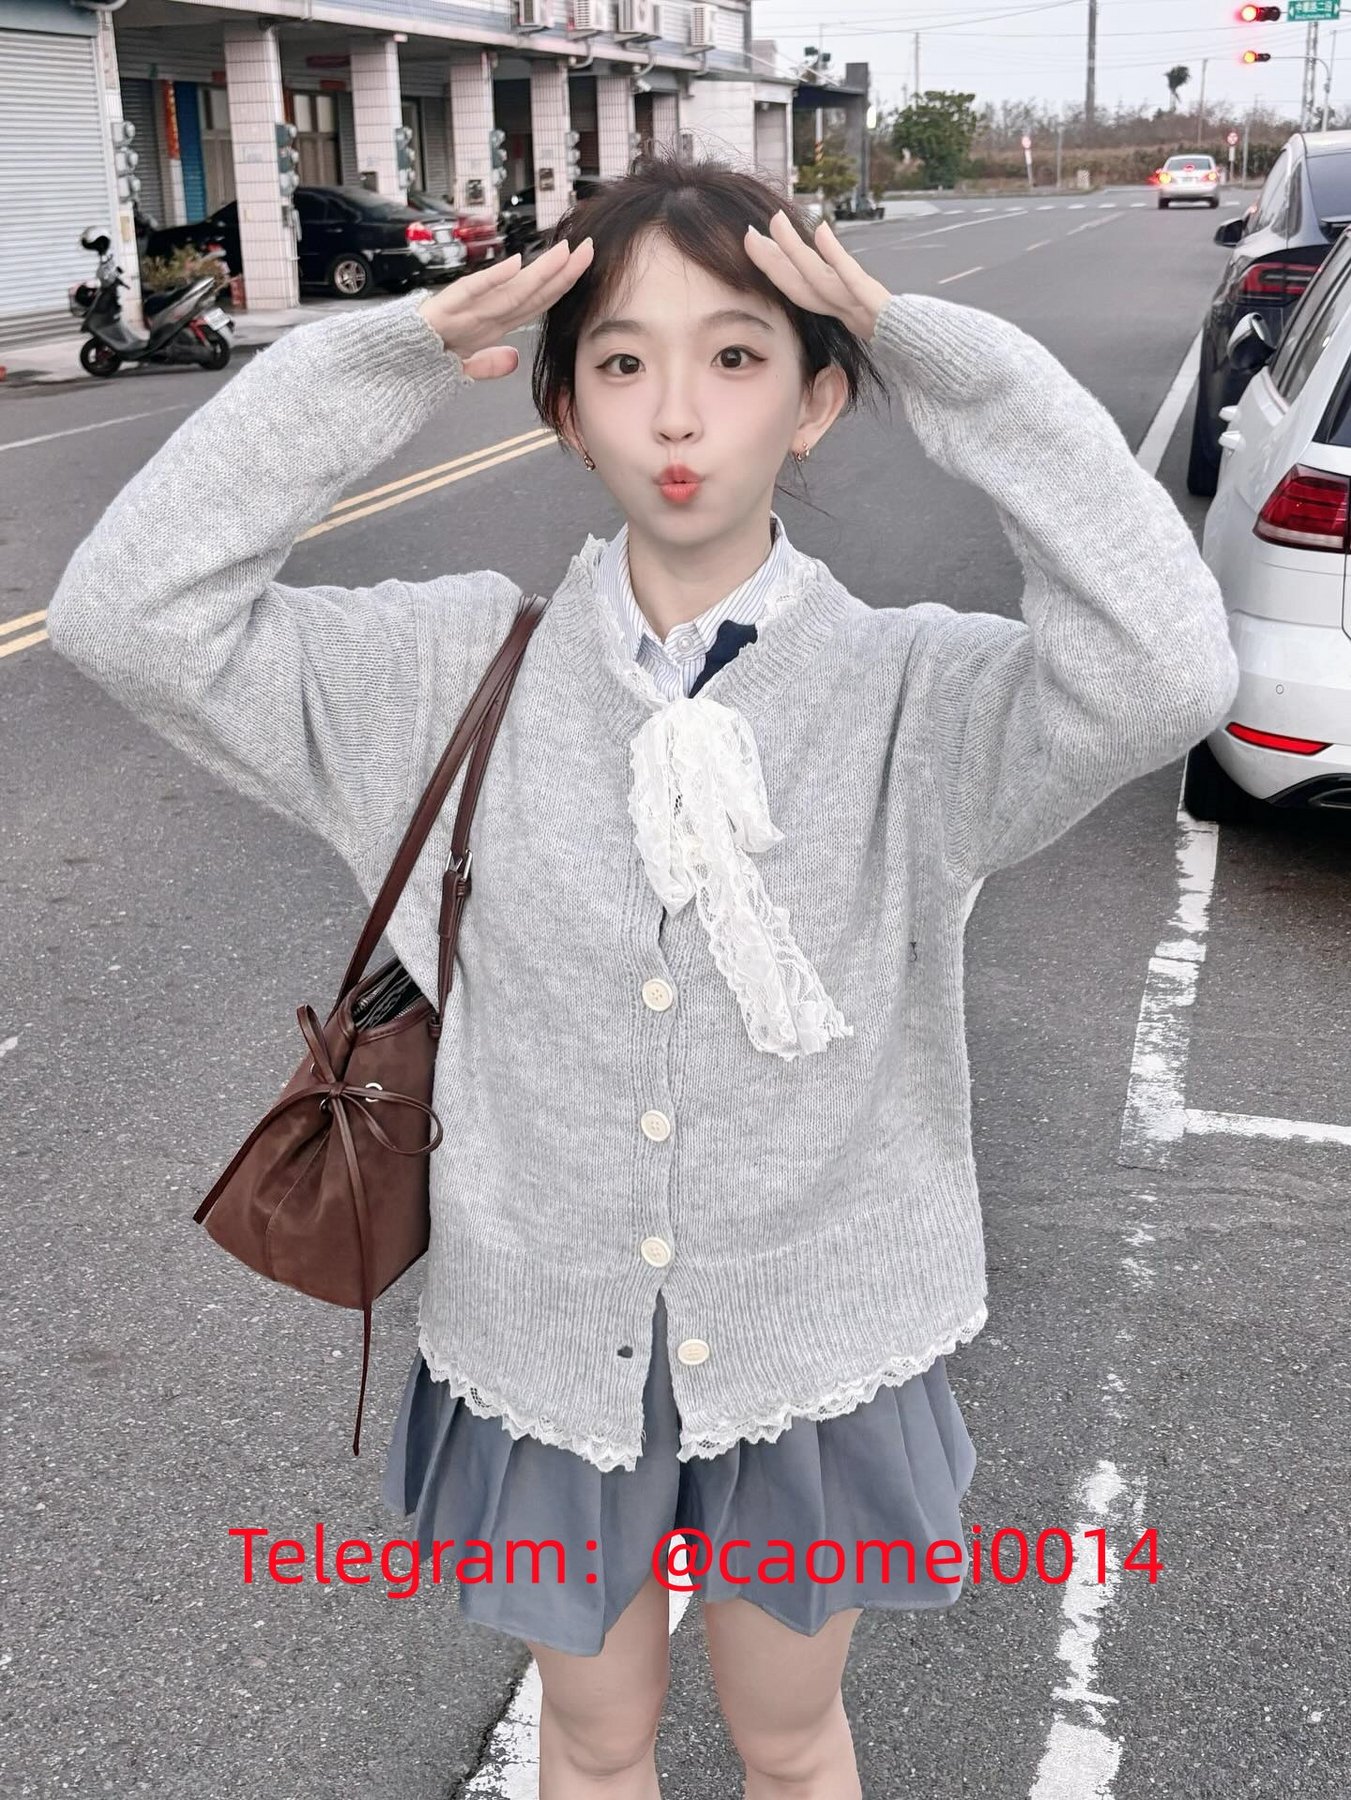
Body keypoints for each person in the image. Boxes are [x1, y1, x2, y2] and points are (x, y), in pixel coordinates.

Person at [46, 152, 1239, 1798]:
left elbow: (1166, 668)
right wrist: (378, 360)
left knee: (792, 1743)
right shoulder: (441, 670)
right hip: (545, 1339)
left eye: (738, 356)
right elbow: (127, 616)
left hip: (815, 1340)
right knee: (596, 1745)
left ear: (818, 401)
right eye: (622, 361)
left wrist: (946, 362)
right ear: (565, 410)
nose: (678, 412)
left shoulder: (912, 698)